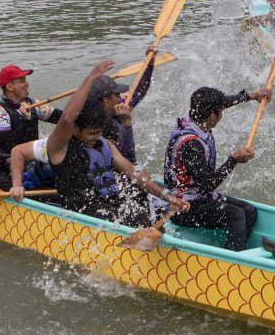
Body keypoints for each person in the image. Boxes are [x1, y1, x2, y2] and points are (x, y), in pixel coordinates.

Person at [39, 60, 187, 225]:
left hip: (108, 203)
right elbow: (67, 118)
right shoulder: (59, 147)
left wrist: (168, 197)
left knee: (145, 207)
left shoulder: (104, 144)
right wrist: (90, 79)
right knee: (138, 217)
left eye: (99, 132)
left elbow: (133, 172)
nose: (97, 136)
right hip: (81, 211)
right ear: (75, 129)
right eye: (92, 133)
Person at [164, 85, 272, 251]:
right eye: (220, 112)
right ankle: (234, 262)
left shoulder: (196, 118)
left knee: (249, 211)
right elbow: (207, 185)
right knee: (236, 215)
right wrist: (233, 160)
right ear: (212, 115)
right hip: (183, 207)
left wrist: (251, 95)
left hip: (200, 197)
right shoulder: (192, 145)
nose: (222, 114)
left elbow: (223, 102)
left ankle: (234, 249)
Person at [0, 64, 63, 188]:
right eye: (22, 81)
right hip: (12, 164)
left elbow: (62, 118)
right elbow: (9, 145)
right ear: (10, 86)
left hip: (33, 158)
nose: (27, 84)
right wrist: (25, 120)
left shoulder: (33, 103)